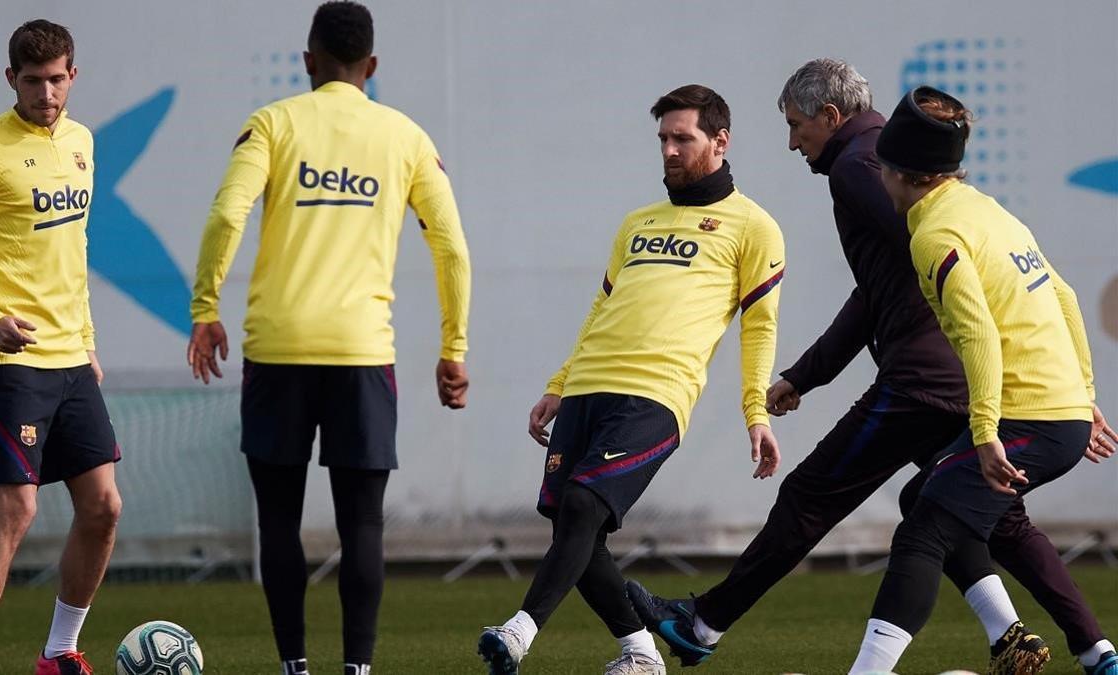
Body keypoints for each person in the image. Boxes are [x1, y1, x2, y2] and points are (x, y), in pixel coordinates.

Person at [628, 59, 1118, 674]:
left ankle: (706, 624)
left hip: (922, 381)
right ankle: (1075, 646)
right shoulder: (956, 192)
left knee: (814, 496)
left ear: (832, 118)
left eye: (796, 124)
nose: (792, 141)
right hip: (965, 380)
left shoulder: (866, 173)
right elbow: (1041, 293)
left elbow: (917, 280)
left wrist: (808, 374)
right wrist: (1077, 389)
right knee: (975, 512)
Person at [186, 3, 471, 674]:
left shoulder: (273, 124)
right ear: (371, 67)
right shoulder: (405, 136)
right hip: (362, 353)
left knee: (279, 522)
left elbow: (228, 214)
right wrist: (452, 348)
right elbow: (452, 249)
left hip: (278, 349)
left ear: (307, 60)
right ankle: (358, 668)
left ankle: (294, 665)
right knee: (362, 524)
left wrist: (205, 306)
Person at [477, 84, 786, 675]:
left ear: (720, 142)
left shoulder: (754, 227)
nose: (669, 150)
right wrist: (559, 383)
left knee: (582, 503)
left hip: (657, 395)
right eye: (663, 139)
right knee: (576, 526)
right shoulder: (637, 223)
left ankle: (520, 631)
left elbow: (759, 329)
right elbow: (602, 310)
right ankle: (641, 653)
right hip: (588, 386)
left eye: (682, 138)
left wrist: (756, 412)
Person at [843, 86, 1117, 675]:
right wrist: (1085, 397)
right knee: (927, 498)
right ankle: (1077, 650)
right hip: (1056, 412)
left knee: (922, 533)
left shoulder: (933, 235)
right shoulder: (987, 208)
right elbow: (1065, 298)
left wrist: (987, 429)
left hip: (1028, 420)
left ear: (895, 172)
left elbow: (979, 337)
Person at [0, 20, 122, 675]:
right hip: (7, 358)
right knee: (17, 505)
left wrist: (87, 341)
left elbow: (73, 250)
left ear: (73, 75)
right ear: (11, 79)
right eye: (33, 81)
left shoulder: (82, 143)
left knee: (103, 506)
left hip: (70, 357)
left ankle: (59, 650)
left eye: (57, 79)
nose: (46, 92)